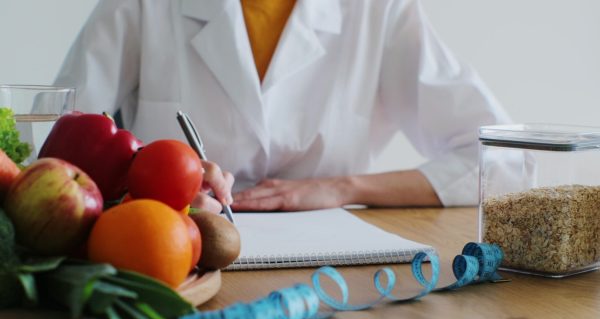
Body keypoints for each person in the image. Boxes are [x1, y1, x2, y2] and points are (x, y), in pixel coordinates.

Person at [55, 0, 510, 213]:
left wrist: (344, 187)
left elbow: (506, 158)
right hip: (172, 265)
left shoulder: (380, 10)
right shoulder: (140, 5)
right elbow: (51, 155)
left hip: (332, 281)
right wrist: (150, 184)